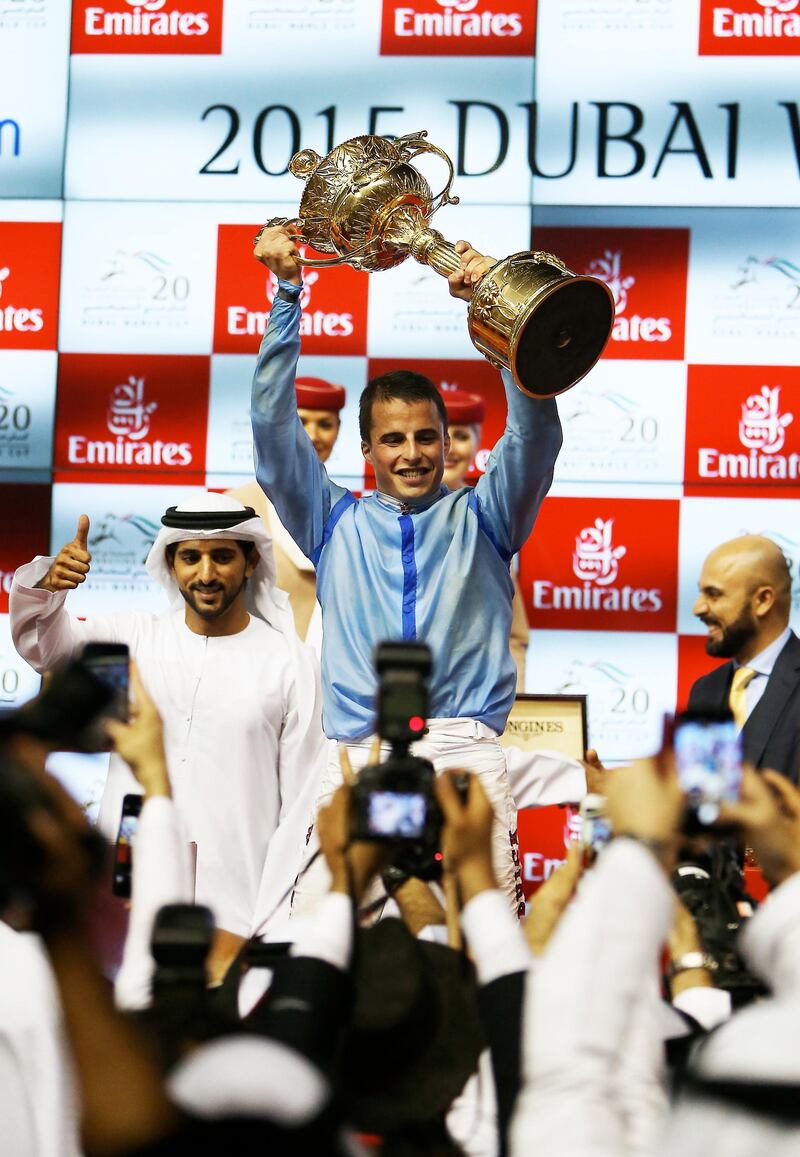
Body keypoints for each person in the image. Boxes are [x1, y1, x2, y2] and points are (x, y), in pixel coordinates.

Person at [250, 224, 563, 915]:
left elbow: (536, 435)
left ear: (447, 439)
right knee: (332, 959)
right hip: (358, 759)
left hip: (466, 757)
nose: (414, 452)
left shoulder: (488, 516)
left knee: (476, 955)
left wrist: (500, 312)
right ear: (366, 448)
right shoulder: (332, 522)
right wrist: (287, 293)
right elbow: (274, 436)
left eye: (429, 435)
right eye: (394, 438)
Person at [9, 492, 326, 970]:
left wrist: (269, 923)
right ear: (170, 563)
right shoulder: (130, 642)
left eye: (222, 556)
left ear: (250, 561)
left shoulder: (288, 664)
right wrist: (48, 590)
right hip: (128, 903)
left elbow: (300, 807)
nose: (205, 574)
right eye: (190, 557)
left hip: (237, 914)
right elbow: (48, 650)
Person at [228, 375, 346, 647]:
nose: (314, 435)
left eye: (325, 425)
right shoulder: (238, 506)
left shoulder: (349, 511)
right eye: (302, 422)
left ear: (338, 430)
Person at [689, 534, 800, 782]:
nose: (698, 608)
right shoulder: (705, 689)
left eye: (714, 594)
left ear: (762, 600)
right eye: (701, 593)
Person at [440, 387, 529, 689]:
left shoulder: (491, 519)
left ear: (477, 441)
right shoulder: (381, 516)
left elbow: (512, 634)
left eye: (462, 436)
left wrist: (514, 705)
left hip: (472, 711)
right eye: (439, 436)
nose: (450, 448)